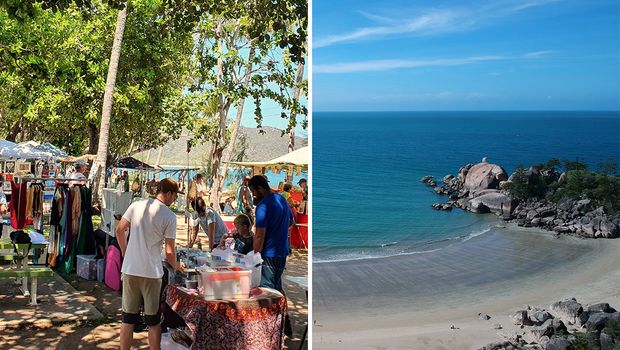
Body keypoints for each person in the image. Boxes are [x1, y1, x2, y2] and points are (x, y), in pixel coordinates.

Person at [115, 178, 185, 350]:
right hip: (152, 273)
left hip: (131, 269)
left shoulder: (136, 205)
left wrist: (125, 252)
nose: (174, 200)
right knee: (153, 320)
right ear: (168, 193)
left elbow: (119, 229)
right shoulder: (169, 216)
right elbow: (169, 251)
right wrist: (176, 265)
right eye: (175, 196)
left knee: (127, 318)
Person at [248, 175, 294, 336]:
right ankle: (285, 322)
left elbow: (259, 235)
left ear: (260, 188)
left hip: (268, 254)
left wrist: (254, 257)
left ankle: (270, 329)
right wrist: (278, 231)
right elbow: (291, 222)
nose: (253, 195)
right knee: (277, 287)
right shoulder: (281, 199)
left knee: (267, 291)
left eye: (254, 192)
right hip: (282, 252)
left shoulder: (263, 206)